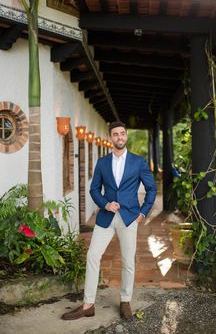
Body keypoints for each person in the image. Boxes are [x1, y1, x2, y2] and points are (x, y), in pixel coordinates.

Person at [62, 121, 157, 321]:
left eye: (122, 133)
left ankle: (125, 301)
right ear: (111, 138)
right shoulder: (102, 163)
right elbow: (94, 189)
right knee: (92, 256)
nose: (119, 137)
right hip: (106, 218)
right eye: (115, 134)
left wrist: (142, 213)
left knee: (128, 262)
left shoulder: (138, 162)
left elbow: (151, 189)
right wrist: (105, 204)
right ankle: (88, 305)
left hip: (130, 217)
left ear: (126, 136)